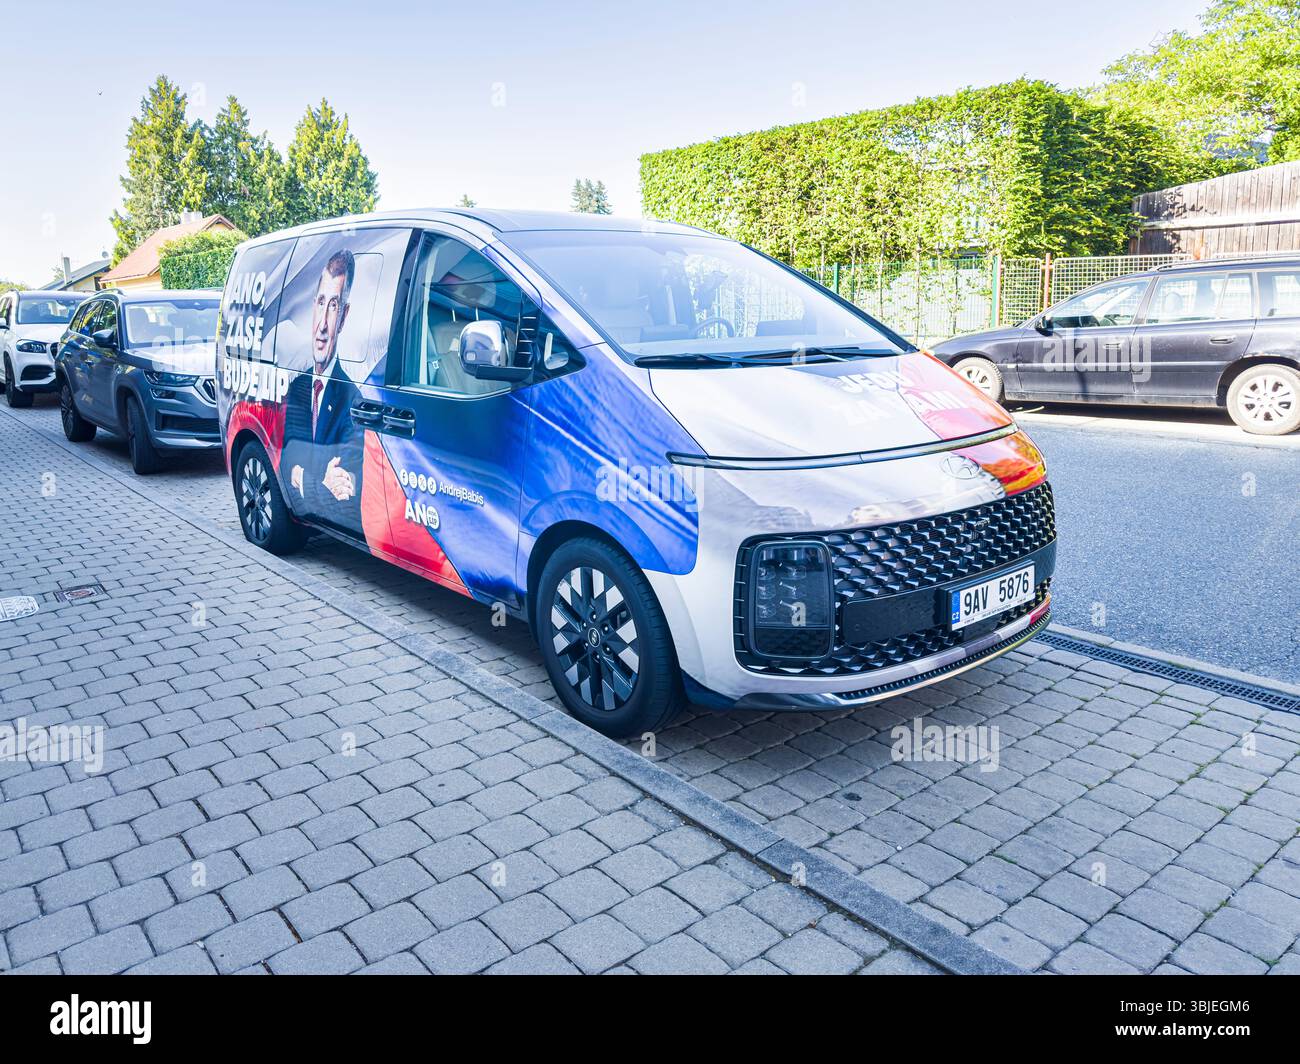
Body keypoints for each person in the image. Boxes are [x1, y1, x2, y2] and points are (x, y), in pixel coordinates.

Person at [281, 249, 363, 530]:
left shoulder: (353, 399)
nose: (323, 326)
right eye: (321, 303)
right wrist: (315, 481)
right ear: (313, 305)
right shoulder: (298, 387)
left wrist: (303, 477)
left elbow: (344, 490)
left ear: (344, 317)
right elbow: (288, 459)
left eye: (334, 306)